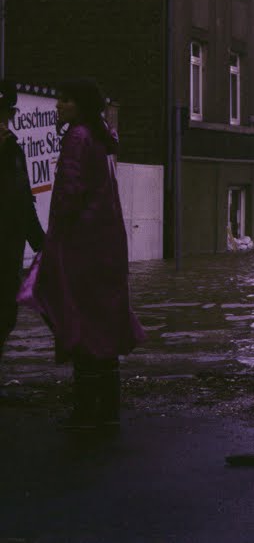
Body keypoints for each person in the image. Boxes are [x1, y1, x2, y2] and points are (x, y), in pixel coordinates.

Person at [18, 78, 144, 430]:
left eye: (66, 100)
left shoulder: (76, 138)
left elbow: (68, 194)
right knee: (103, 323)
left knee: (79, 319)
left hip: (82, 246)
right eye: (58, 98)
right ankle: (108, 410)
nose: (58, 105)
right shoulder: (99, 139)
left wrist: (54, 238)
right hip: (107, 247)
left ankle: (87, 411)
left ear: (81, 106)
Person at [0, 80, 45, 363]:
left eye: (5, 116)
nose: (3, 124)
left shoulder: (13, 151)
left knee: (6, 313)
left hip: (8, 250)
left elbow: (23, 199)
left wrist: (40, 242)